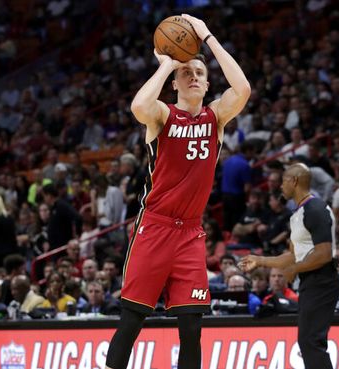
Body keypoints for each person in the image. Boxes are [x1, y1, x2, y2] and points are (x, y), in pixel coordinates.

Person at [105, 14, 251, 369]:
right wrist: (169, 63)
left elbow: (243, 89)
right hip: (154, 227)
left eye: (200, 73)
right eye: (187, 74)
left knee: (192, 325)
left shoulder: (215, 117)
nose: (195, 77)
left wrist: (207, 37)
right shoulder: (162, 115)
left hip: (190, 231)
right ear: (174, 84)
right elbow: (138, 106)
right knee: (132, 320)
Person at [240, 163, 339, 369]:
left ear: (294, 181)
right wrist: (260, 260)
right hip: (311, 280)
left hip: (322, 279)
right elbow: (294, 256)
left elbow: (323, 254)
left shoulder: (316, 209)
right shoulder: (298, 213)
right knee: (307, 342)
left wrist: (295, 269)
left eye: (284, 181)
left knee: (312, 341)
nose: (280, 186)